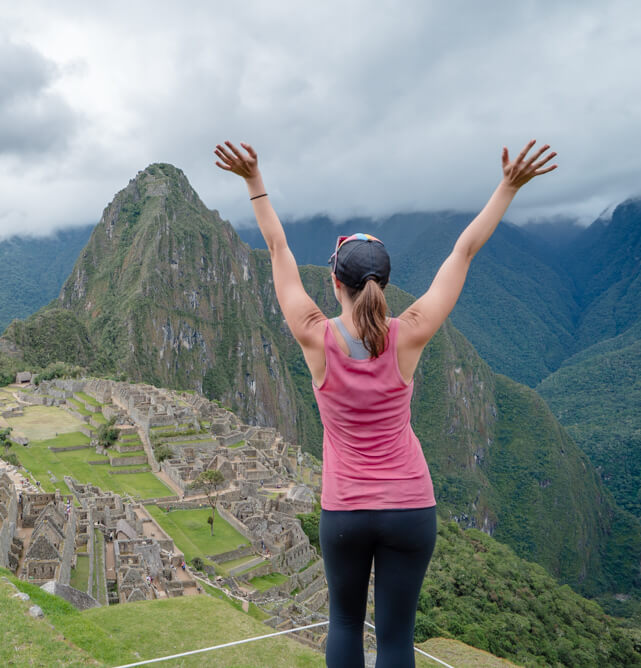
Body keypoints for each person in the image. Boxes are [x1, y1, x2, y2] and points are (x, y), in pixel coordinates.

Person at [215, 139, 556, 668]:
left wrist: (254, 181)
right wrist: (507, 187)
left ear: (334, 283)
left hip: (345, 509)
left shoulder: (314, 336)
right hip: (410, 507)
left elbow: (278, 251)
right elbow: (462, 252)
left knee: (346, 624)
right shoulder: (410, 335)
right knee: (396, 638)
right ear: (386, 286)